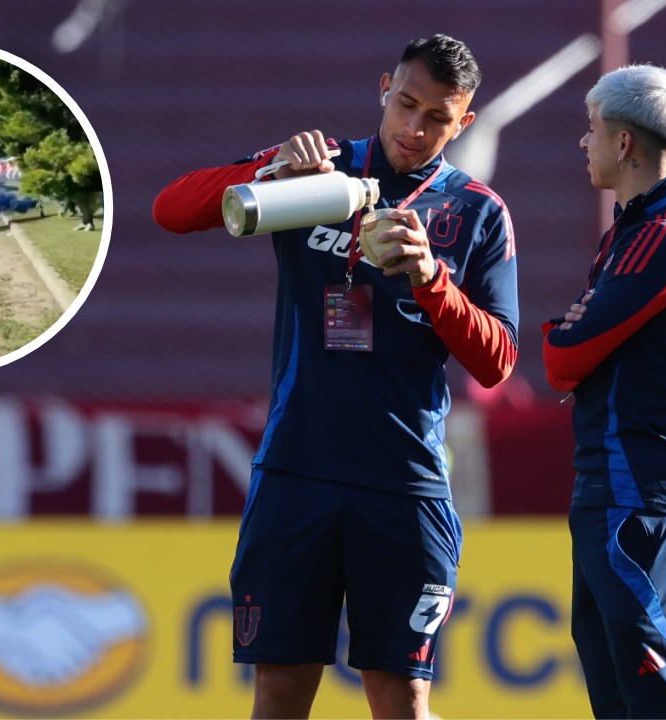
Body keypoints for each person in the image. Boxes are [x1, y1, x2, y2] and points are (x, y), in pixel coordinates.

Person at [153, 34, 518, 720]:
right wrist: (269, 174)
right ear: (384, 87)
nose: (414, 128)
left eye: (438, 118)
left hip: (405, 485)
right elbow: (170, 210)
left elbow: (498, 362)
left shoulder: (476, 212)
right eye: (405, 103)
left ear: (464, 123)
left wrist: (431, 278)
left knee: (401, 701)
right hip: (298, 475)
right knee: (279, 698)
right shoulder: (322, 173)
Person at [541, 64, 666, 719]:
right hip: (609, 486)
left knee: (652, 684)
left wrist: (568, 337)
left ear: (624, 145)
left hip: (640, 489)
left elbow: (564, 358)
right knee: (616, 688)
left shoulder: (665, 234)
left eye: (591, 130)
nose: (583, 143)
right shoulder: (632, 231)